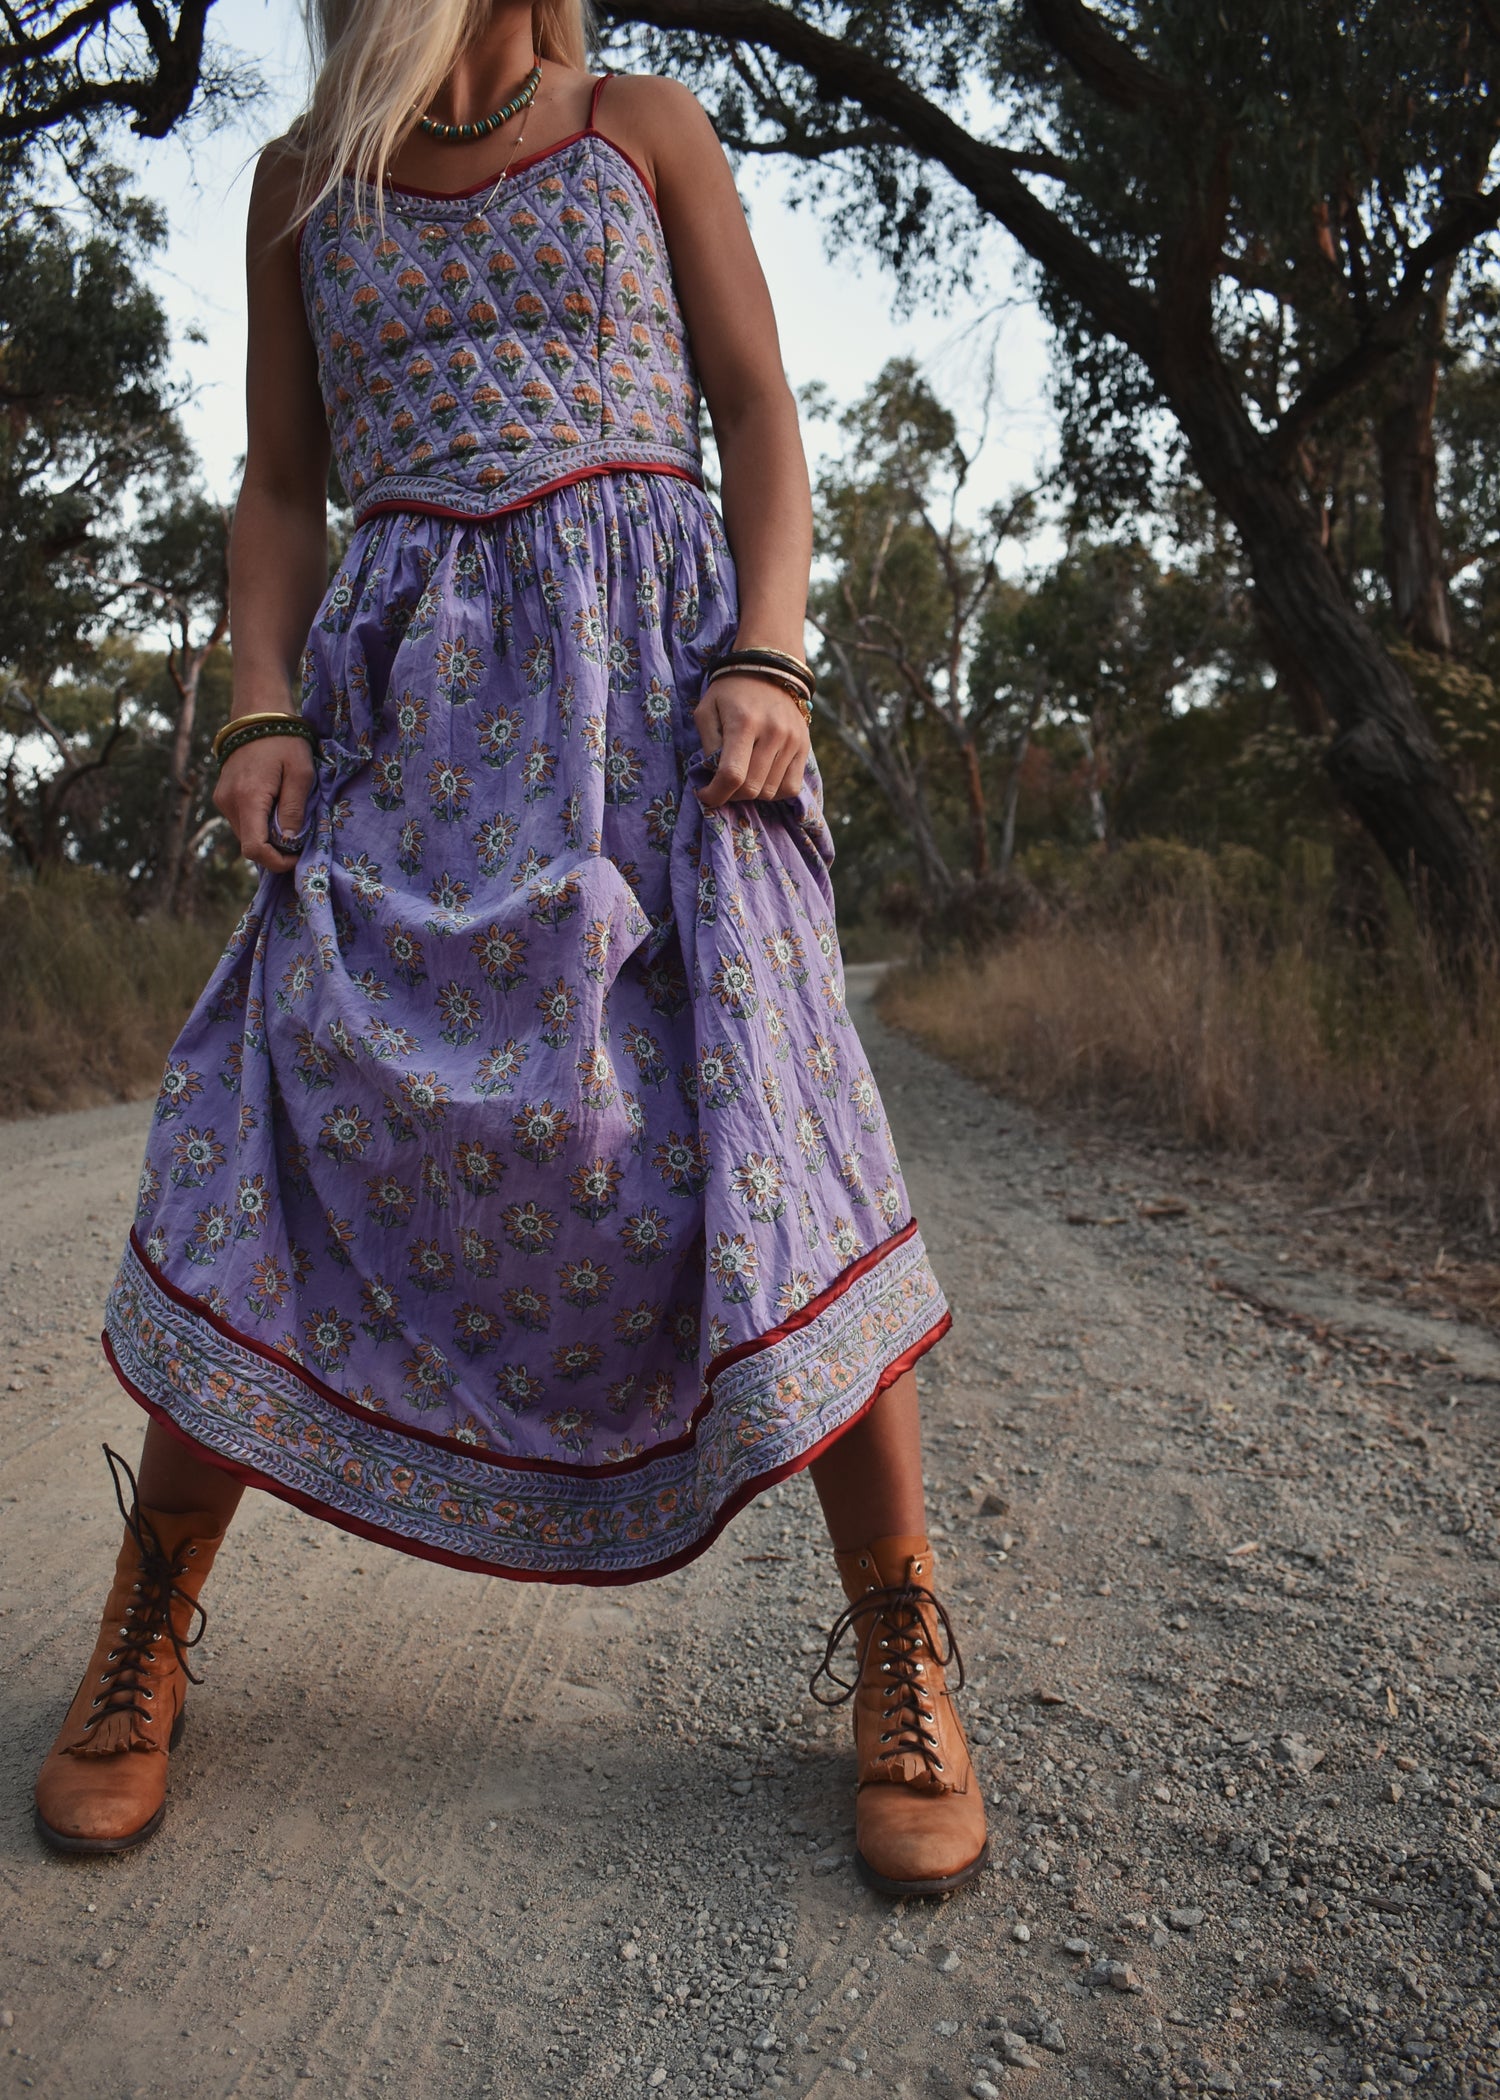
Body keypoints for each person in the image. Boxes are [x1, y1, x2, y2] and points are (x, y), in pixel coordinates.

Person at [34, 0, 987, 1900]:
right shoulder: (303, 183)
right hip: (413, 719)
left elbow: (758, 411)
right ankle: (147, 1618)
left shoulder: (648, 128)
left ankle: (902, 1638)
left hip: (660, 703)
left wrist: (770, 648)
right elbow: (283, 482)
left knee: (768, 1140)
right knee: (274, 1104)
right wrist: (262, 708)